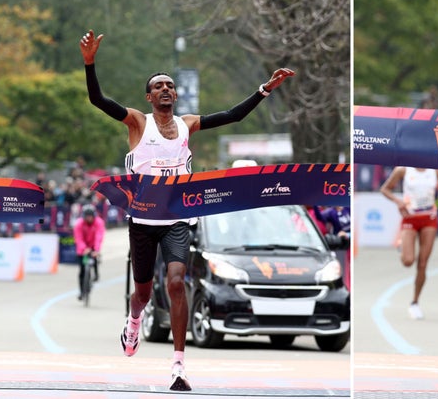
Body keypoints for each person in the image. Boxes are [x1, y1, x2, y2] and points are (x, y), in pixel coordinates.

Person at [80, 29, 294, 391]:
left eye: (170, 85)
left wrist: (264, 89)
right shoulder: (137, 122)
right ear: (149, 97)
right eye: (158, 85)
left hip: (177, 218)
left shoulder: (188, 125)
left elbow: (233, 115)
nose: (166, 88)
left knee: (177, 282)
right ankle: (134, 321)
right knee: (144, 293)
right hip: (143, 220)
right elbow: (98, 100)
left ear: (176, 94)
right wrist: (89, 63)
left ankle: (178, 367)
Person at [380, 167, 438, 320]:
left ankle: (415, 302)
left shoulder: (437, 171)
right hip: (410, 217)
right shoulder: (402, 170)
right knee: (408, 261)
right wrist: (398, 202)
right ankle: (403, 246)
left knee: (422, 263)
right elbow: (384, 189)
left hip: (429, 218)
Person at [73, 204, 105, 300]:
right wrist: (83, 248)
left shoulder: (99, 222)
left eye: (91, 216)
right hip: (83, 249)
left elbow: (99, 236)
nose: (89, 218)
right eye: (87, 216)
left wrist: (96, 249)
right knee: (82, 271)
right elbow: (78, 238)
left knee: (94, 258)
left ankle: (95, 273)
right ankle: (82, 292)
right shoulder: (78, 224)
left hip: (93, 246)